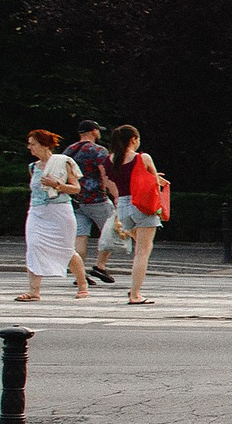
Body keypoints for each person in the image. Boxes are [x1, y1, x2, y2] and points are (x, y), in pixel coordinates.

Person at [17, 131, 89, 301]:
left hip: (59, 211)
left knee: (66, 249)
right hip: (37, 212)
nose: (30, 147)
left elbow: (76, 188)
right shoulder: (33, 167)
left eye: (33, 144)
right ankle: (34, 291)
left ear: (44, 145)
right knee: (34, 247)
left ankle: (82, 285)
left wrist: (56, 184)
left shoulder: (62, 162)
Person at [104, 125, 162, 305]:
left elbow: (116, 180)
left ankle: (135, 290)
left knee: (140, 248)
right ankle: (135, 293)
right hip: (141, 205)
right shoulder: (142, 157)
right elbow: (156, 183)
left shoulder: (110, 159)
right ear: (133, 140)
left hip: (122, 206)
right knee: (142, 252)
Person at [65, 120, 116, 286]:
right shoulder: (98, 151)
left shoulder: (69, 150)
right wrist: (115, 194)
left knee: (80, 236)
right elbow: (105, 174)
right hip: (97, 199)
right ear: (94, 131)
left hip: (77, 200)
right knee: (111, 231)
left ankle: (79, 272)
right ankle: (100, 265)